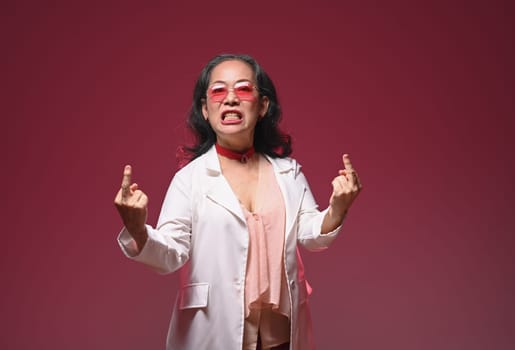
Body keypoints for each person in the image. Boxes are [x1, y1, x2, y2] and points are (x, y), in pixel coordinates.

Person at [114, 53, 362, 350]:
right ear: (205, 110)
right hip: (214, 334)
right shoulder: (190, 179)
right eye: (218, 91)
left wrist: (338, 207)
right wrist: (137, 229)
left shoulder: (288, 172)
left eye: (243, 89)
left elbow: (311, 234)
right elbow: (170, 254)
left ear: (263, 106)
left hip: (281, 338)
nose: (230, 98)